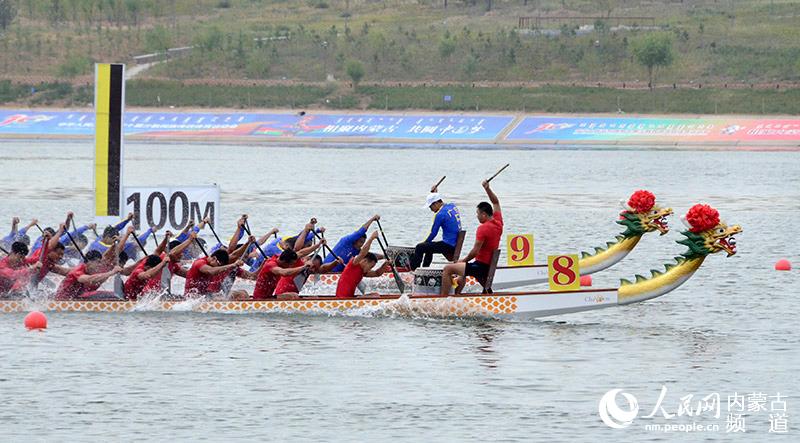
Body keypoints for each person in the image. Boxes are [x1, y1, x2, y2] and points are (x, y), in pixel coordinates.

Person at [441, 180, 503, 296]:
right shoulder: (499, 223)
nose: (477, 216)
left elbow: (475, 252)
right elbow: (495, 202)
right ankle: (456, 296)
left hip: (480, 267)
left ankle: (443, 299)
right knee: (461, 272)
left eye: (478, 214)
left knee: (448, 269)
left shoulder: (483, 228)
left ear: (484, 214)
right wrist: (487, 188)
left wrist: (463, 260)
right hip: (486, 265)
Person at [411, 185, 462, 270]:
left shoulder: (440, 214)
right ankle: (425, 269)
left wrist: (423, 243)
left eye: (430, 207)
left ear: (435, 204)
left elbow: (433, 233)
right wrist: (435, 193)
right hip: (455, 243)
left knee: (420, 247)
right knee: (428, 246)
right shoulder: (452, 206)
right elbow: (439, 200)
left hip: (448, 245)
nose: (431, 209)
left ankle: (413, 270)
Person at [335, 231, 390, 299]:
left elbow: (377, 273)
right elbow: (363, 253)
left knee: (376, 295)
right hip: (343, 299)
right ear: (365, 261)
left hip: (349, 298)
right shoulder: (354, 264)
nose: (370, 269)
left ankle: (359, 298)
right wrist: (371, 238)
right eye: (371, 266)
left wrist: (386, 263)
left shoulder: (362, 271)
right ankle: (359, 298)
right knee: (375, 296)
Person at [54, 250, 124, 300]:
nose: (99, 265)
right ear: (89, 262)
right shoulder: (78, 270)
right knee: (113, 295)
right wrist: (111, 272)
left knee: (113, 295)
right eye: (98, 262)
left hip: (75, 297)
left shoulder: (88, 270)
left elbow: (107, 256)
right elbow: (89, 279)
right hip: (64, 300)